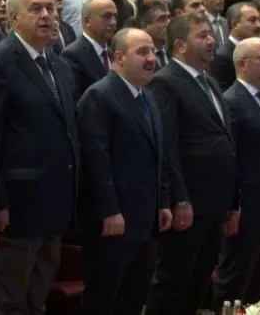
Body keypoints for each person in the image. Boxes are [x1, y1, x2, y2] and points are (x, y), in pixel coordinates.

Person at [0, 0, 80, 315]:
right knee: (9, 301)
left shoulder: (59, 64)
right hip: (18, 207)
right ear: (13, 18)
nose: (47, 15)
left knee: (37, 299)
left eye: (50, 8)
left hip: (54, 202)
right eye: (36, 9)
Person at [146, 13, 237, 315]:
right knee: (173, 279)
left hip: (215, 201)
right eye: (202, 36)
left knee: (199, 279)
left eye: (211, 34)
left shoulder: (209, 81)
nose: (211, 41)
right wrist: (179, 199)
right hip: (189, 202)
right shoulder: (165, 82)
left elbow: (226, 141)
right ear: (180, 45)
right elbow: (167, 147)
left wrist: (233, 200)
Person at [77, 27, 172, 315]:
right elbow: (96, 160)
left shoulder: (148, 97)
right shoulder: (100, 96)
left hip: (145, 218)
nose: (151, 58)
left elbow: (158, 154)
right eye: (142, 52)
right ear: (119, 58)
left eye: (152, 51)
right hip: (114, 220)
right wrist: (109, 210)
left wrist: (163, 202)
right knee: (104, 298)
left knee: (134, 297)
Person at [212, 38, 260, 308]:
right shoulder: (232, 101)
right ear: (242, 64)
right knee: (235, 278)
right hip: (246, 208)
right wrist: (234, 206)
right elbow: (230, 159)